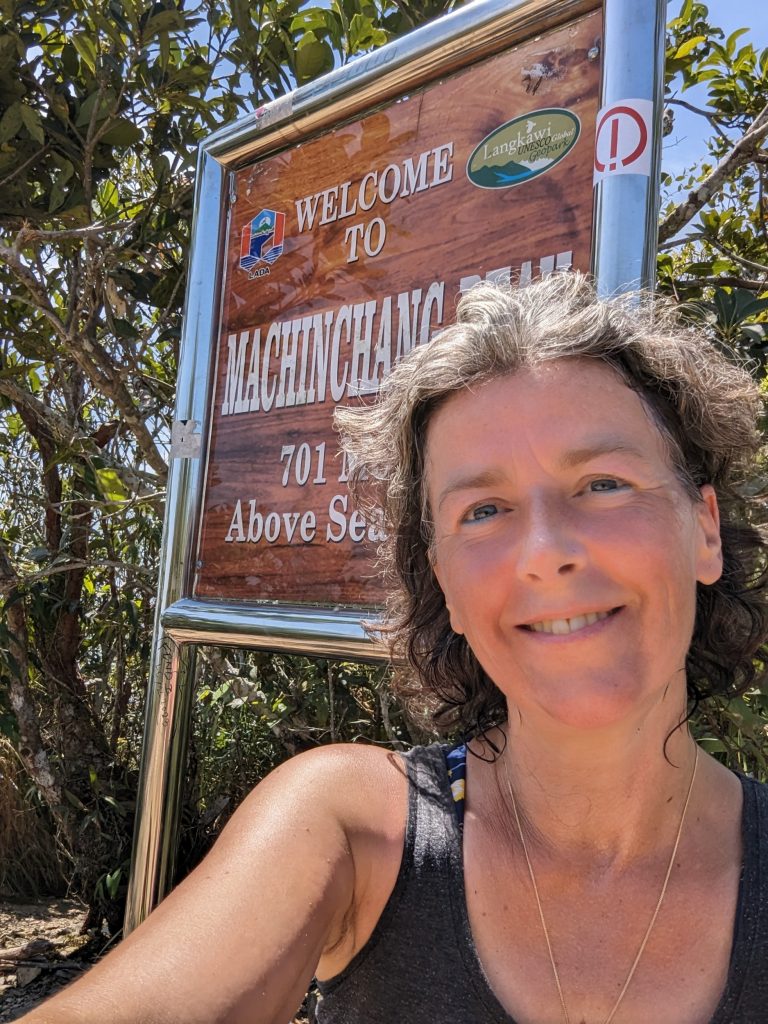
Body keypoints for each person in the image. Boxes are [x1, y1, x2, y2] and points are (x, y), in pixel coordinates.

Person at [20, 272, 768, 1024]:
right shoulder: (353, 827)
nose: (545, 551)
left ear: (703, 529)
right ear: (444, 581)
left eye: (603, 483)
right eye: (484, 509)